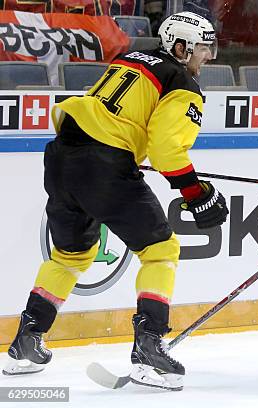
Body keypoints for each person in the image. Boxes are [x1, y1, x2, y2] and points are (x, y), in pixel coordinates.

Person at [2, 12, 228, 391]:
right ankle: (149, 350)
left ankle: (26, 342)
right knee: (160, 250)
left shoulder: (130, 60)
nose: (208, 57)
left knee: (69, 256)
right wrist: (197, 193)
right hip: (103, 165)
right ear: (179, 47)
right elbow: (167, 150)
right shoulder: (182, 81)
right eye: (203, 49)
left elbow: (120, 120)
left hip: (61, 157)